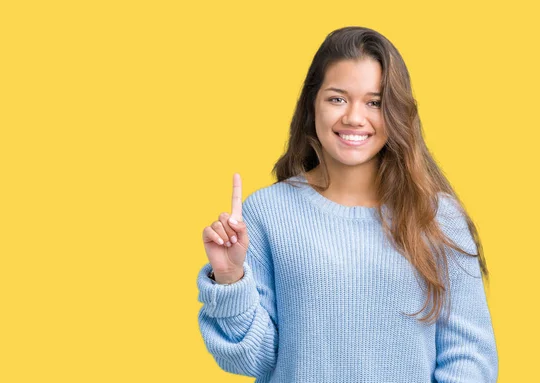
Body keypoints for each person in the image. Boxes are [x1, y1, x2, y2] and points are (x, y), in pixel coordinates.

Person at [196, 26, 498, 383]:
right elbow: (254, 360)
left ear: (396, 112)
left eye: (374, 102)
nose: (354, 117)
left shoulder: (437, 216)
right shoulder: (266, 214)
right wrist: (231, 280)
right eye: (337, 98)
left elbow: (470, 358)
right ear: (313, 103)